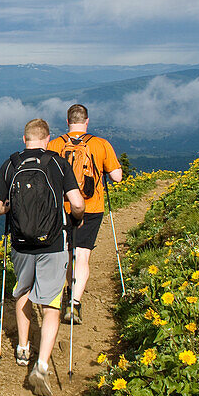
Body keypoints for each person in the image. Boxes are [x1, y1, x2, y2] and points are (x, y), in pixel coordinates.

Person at [0, 118, 84, 396]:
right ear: (47, 138)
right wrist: (76, 218)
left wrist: (9, 209)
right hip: (53, 243)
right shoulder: (56, 163)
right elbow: (77, 203)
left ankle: (21, 347)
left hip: (20, 243)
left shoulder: (11, 164)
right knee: (51, 304)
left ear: (24, 138)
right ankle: (41, 365)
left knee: (24, 291)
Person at [48, 104, 123, 325]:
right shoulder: (100, 144)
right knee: (82, 254)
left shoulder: (55, 144)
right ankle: (75, 303)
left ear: (68, 121)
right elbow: (117, 177)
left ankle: (65, 291)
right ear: (87, 121)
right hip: (91, 207)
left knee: (66, 251)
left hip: (62, 207)